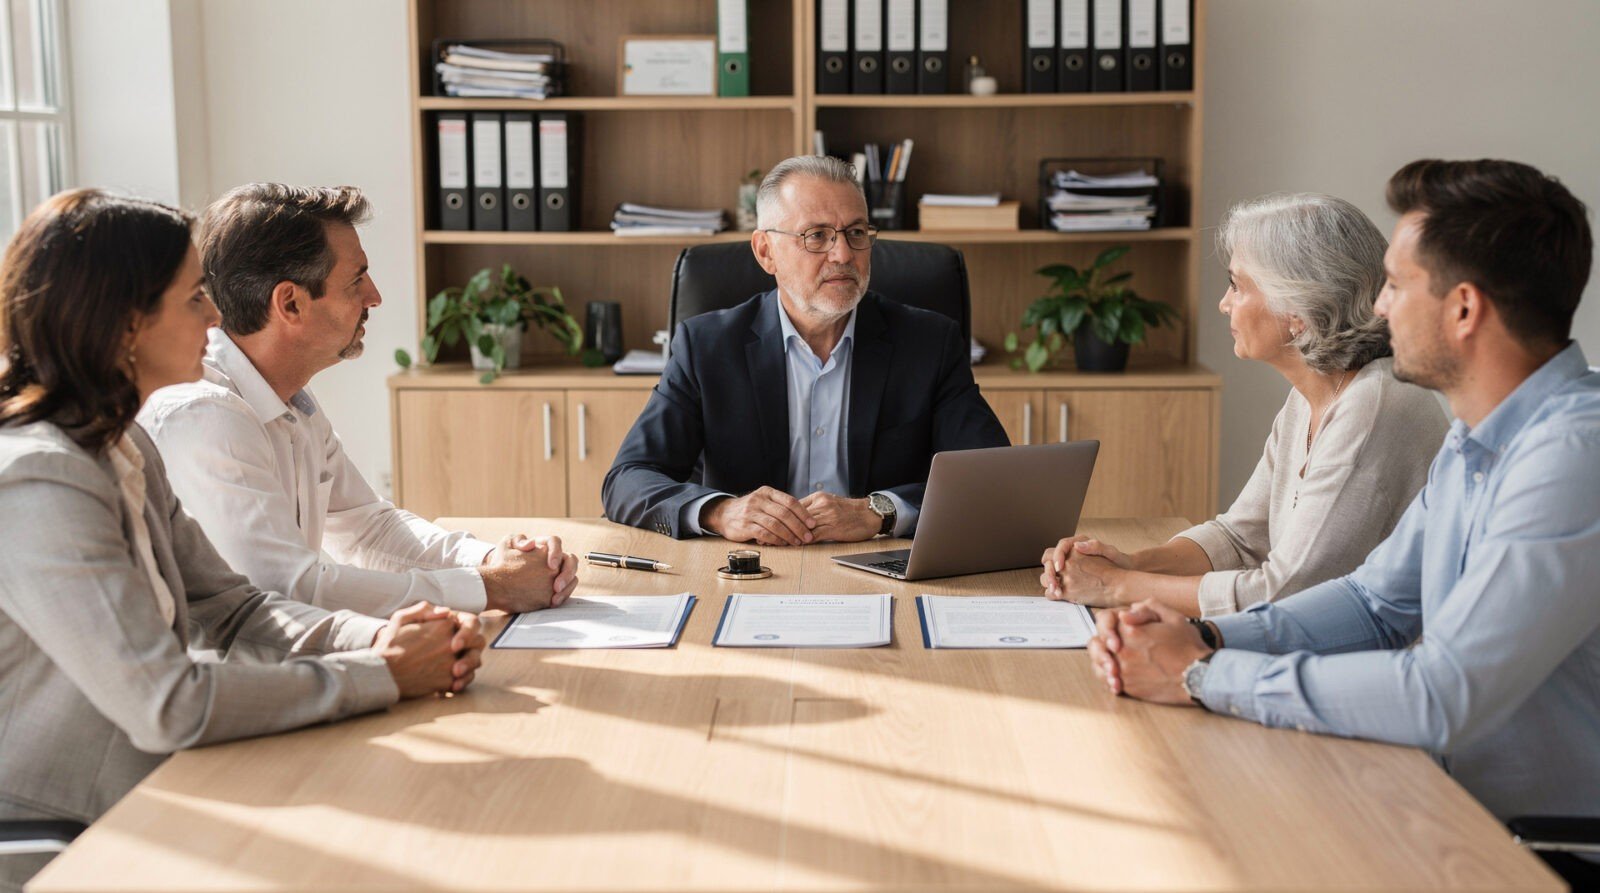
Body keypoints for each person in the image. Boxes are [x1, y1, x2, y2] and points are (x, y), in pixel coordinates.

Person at [1086, 159, 1600, 886]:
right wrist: (1202, 636)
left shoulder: (1573, 456)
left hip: (1540, 851)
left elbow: (1442, 693)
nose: (1379, 308)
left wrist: (1203, 674)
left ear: (1463, 309)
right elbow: (1375, 603)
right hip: (1446, 806)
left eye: (1395, 284)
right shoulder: (1476, 437)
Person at [0, 189, 485, 892]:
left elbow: (235, 609)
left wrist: (381, 639)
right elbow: (166, 702)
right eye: (195, 297)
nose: (219, 315)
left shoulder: (123, 443)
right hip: (77, 827)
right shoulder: (41, 478)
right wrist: (383, 674)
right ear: (126, 324)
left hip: (165, 784)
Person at [139, 184, 577, 619]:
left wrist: (494, 561)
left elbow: (369, 530)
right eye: (356, 280)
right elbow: (288, 590)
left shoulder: (290, 398)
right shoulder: (207, 415)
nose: (375, 296)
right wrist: (490, 587)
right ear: (290, 303)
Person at [1041, 194, 1448, 617]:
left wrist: (1116, 585)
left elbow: (1284, 595)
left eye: (1237, 285)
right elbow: (1241, 538)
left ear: (1298, 309)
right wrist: (1130, 562)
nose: (1224, 303)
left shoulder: (1372, 408)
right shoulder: (1314, 393)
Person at [602, 155, 1008, 544]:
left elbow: (991, 480)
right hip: (750, 569)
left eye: (856, 232)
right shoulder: (706, 346)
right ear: (766, 252)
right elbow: (628, 479)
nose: (844, 255)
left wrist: (879, 511)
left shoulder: (928, 343)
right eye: (817, 236)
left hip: (881, 564)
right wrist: (721, 512)